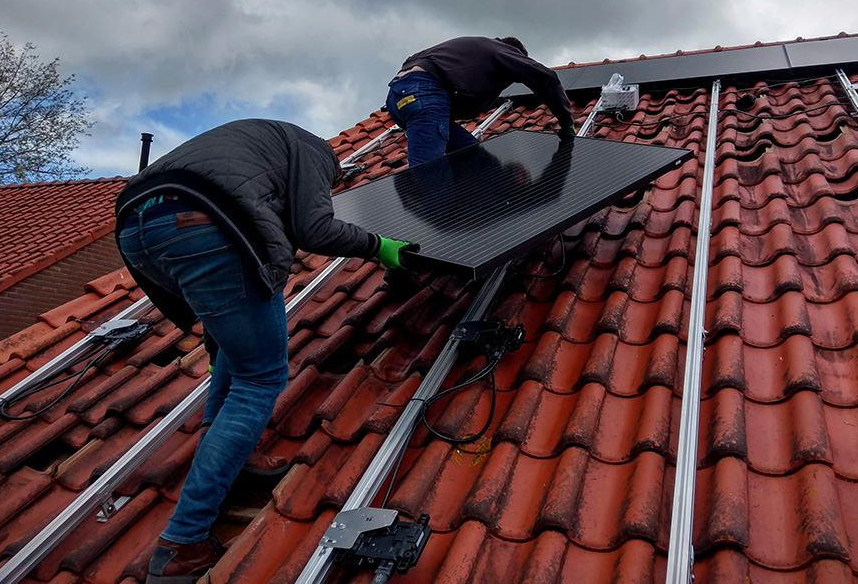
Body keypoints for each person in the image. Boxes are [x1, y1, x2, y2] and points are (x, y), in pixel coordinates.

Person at [114, 119, 412, 584]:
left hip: (137, 225)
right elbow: (314, 228)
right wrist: (378, 246)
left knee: (236, 345)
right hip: (204, 224)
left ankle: (234, 452)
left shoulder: (258, 144)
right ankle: (182, 541)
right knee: (262, 377)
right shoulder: (316, 153)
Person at [386, 36, 576, 166]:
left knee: (474, 158)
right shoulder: (503, 51)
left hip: (398, 98)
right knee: (428, 175)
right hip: (425, 94)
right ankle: (427, 212)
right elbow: (546, 78)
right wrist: (567, 122)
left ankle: (467, 205)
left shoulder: (470, 52)